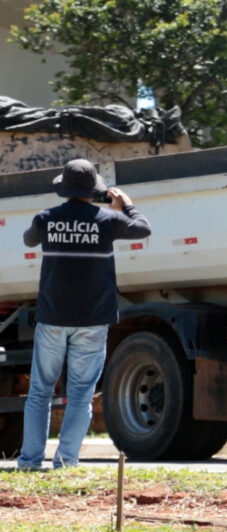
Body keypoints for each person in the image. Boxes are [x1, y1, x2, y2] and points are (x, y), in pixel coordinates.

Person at [18, 158, 152, 470]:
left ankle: (29, 461)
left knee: (40, 392)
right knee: (80, 395)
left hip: (52, 318)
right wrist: (126, 206)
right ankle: (66, 462)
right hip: (93, 321)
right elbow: (143, 228)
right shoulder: (107, 220)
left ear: (64, 188)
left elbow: (28, 239)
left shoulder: (46, 218)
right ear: (94, 190)